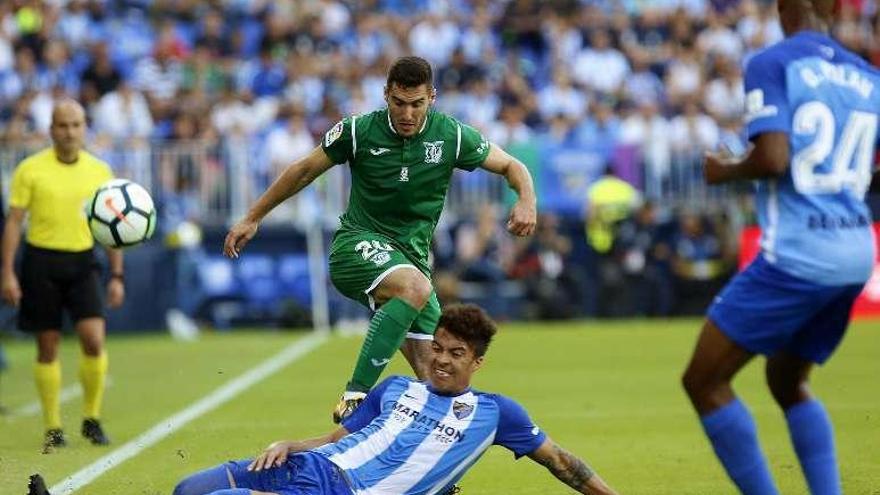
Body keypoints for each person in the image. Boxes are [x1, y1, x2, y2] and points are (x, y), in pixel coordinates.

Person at [223, 56, 537, 423]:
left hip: (412, 265)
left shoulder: (451, 135)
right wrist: (252, 216)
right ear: (386, 94)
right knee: (415, 289)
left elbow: (512, 166)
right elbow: (303, 170)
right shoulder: (357, 131)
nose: (407, 113)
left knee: (443, 382)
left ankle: (424, 474)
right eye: (399, 103)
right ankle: (357, 395)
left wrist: (526, 200)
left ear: (431, 98)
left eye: (417, 104)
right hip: (356, 248)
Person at [681, 1, 880, 494]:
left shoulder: (772, 62)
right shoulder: (866, 74)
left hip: (799, 252)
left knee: (704, 382)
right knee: (787, 380)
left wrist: (722, 170)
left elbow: (773, 158)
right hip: (855, 249)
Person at [161, 304, 614, 495]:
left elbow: (561, 462)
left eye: (456, 354)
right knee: (189, 490)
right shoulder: (396, 387)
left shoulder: (495, 413)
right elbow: (338, 436)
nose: (441, 360)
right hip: (308, 467)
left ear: (477, 362)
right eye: (437, 348)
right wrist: (290, 444)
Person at [1, 99, 124, 451]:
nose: (69, 132)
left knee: (94, 340)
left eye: (75, 125)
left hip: (84, 261)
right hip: (41, 262)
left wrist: (117, 275)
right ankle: (53, 426)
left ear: (85, 128)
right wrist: (7, 272)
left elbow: (112, 228)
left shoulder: (100, 171)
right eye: (62, 125)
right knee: (48, 345)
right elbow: (14, 222)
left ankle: (92, 418)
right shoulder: (30, 169)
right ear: (51, 130)